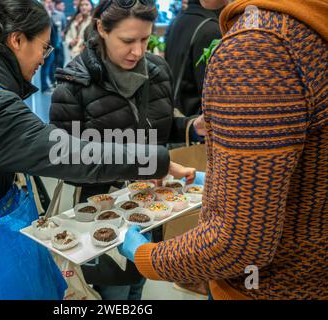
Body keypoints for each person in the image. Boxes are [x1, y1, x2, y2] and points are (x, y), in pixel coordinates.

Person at [0, 0, 194, 300]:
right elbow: (72, 153)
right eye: (44, 46)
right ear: (17, 40)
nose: (44, 58)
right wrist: (159, 161)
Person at [119, 0, 328, 300]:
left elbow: (241, 242)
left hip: (261, 288)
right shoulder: (302, 28)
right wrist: (225, 182)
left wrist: (147, 256)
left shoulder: (256, 47)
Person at [50, 0, 203, 300]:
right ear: (101, 30)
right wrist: (141, 164)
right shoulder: (73, 84)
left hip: (151, 206)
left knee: (138, 283)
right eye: (127, 40)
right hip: (103, 212)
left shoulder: (157, 71)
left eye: (145, 39)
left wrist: (191, 127)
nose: (138, 51)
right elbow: (66, 158)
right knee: (115, 290)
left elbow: (157, 129)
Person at [165, 0, 221, 118]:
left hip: (177, 116)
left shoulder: (176, 21)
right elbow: (209, 94)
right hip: (195, 123)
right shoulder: (211, 30)